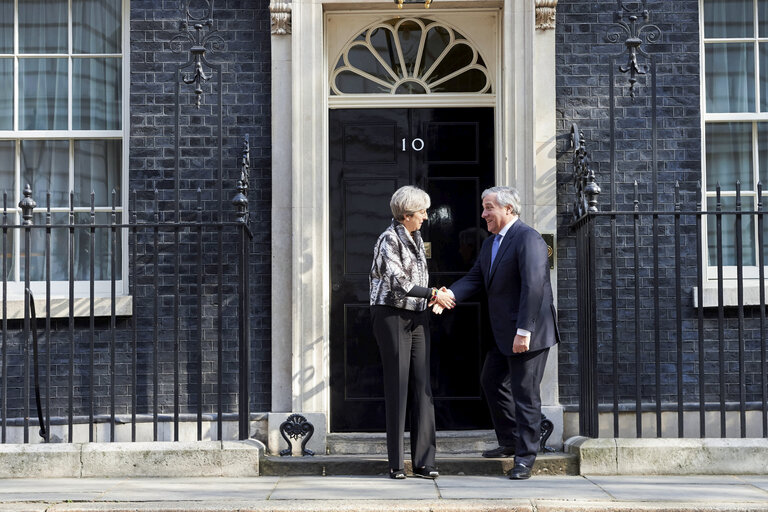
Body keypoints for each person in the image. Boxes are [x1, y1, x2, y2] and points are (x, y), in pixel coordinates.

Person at [436, 186, 559, 480]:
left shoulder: (528, 238)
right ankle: (509, 441)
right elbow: (475, 278)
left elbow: (533, 286)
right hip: (505, 333)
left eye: (489, 207)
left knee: (525, 395)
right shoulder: (491, 243)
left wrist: (523, 331)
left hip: (527, 333)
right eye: (483, 207)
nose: (483, 214)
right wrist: (446, 294)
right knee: (492, 381)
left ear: (508, 209)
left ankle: (526, 457)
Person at [369, 185, 454, 480]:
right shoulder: (388, 239)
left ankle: (424, 462)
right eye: (421, 212)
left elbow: (418, 282)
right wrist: (433, 292)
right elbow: (400, 283)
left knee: (422, 386)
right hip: (391, 315)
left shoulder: (416, 238)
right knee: (398, 384)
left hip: (417, 316)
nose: (426, 217)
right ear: (406, 214)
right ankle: (395, 463)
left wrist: (433, 295)